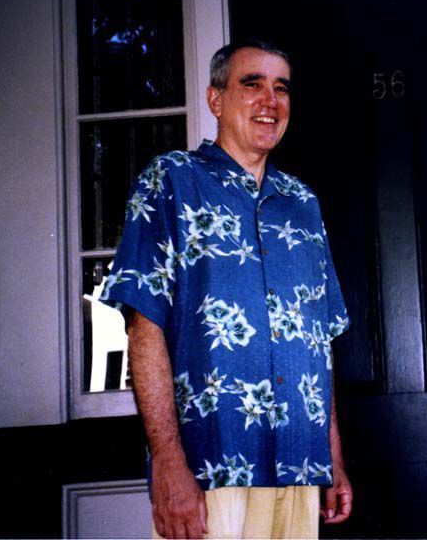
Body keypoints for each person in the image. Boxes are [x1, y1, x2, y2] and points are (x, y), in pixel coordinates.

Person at [100, 39, 353, 539]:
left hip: (301, 467)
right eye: (252, 84)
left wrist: (333, 459)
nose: (270, 101)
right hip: (210, 467)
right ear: (216, 99)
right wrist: (167, 462)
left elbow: (318, 344)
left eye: (281, 88)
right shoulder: (171, 181)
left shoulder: (303, 203)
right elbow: (144, 329)